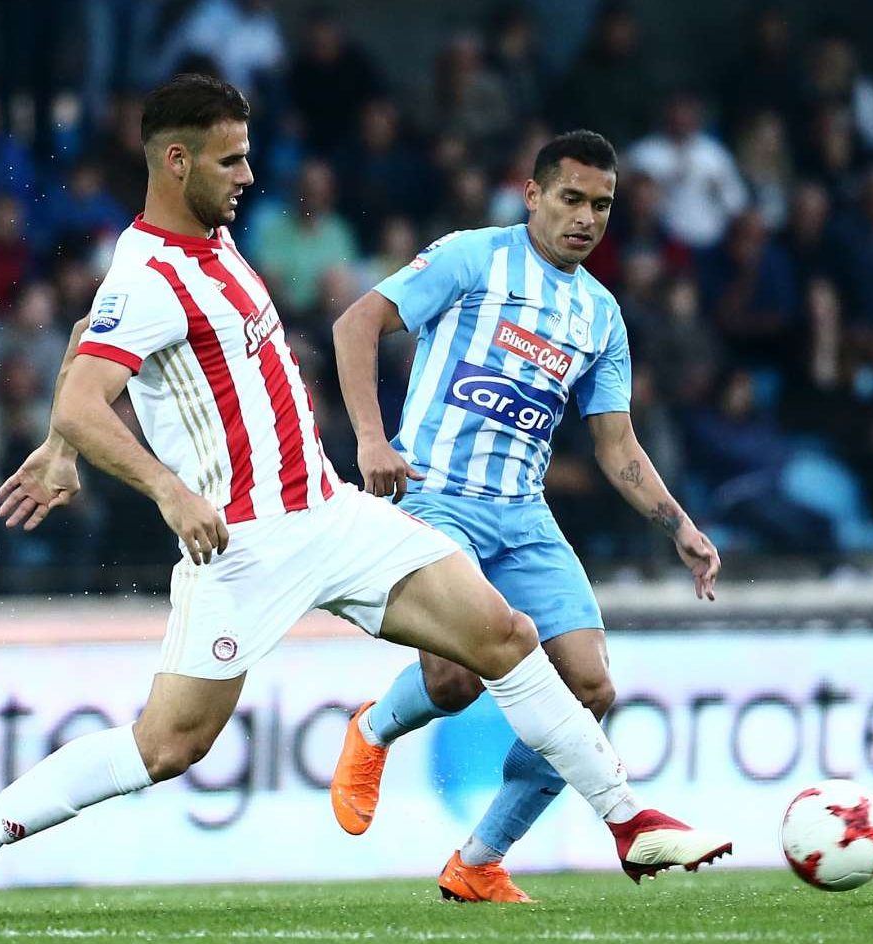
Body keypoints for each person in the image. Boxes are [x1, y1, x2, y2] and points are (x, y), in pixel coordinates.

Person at [0, 75, 730, 923]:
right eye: (231, 160)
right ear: (176, 161)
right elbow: (84, 389)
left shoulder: (212, 245)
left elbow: (87, 337)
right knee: (168, 746)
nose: (249, 175)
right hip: (243, 547)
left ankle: (628, 820)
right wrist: (156, 484)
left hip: (330, 513)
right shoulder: (148, 276)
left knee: (505, 636)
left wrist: (59, 448)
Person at [328, 130, 724, 902]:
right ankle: (373, 727)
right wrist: (371, 440)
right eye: (572, 198)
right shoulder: (472, 257)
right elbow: (355, 324)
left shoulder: (600, 315)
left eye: (601, 205)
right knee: (453, 682)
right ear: (533, 194)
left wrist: (680, 525)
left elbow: (615, 444)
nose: (586, 218)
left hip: (523, 516)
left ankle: (479, 861)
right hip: (435, 497)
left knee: (591, 689)